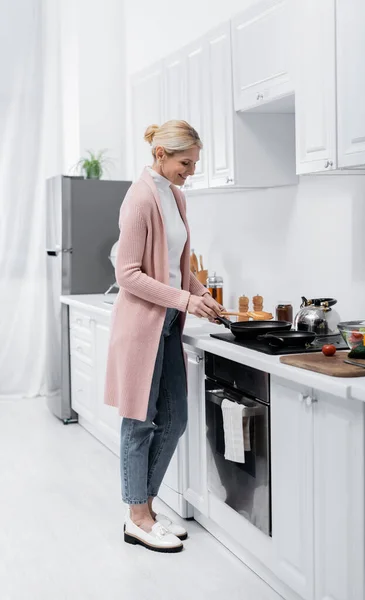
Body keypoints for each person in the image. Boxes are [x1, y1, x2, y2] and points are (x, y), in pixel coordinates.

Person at [104, 120, 223, 553]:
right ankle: (137, 516)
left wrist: (200, 293)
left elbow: (176, 262)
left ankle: (147, 510)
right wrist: (185, 300)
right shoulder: (138, 199)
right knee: (138, 423)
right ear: (161, 155)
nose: (189, 171)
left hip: (169, 324)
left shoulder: (175, 196)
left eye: (193, 163)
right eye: (184, 162)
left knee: (175, 421)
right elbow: (128, 275)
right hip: (142, 327)